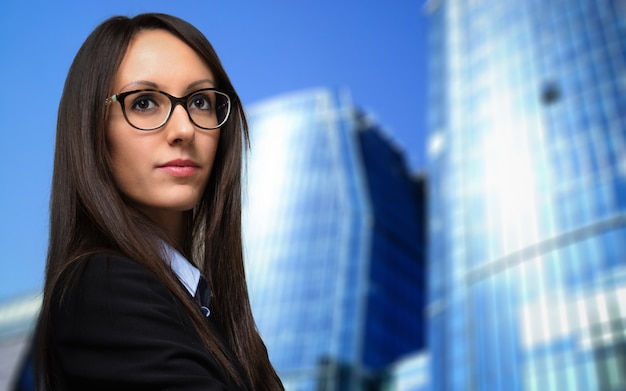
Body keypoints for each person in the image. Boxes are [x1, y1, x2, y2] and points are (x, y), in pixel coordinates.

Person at [33, 13, 284, 391]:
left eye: (200, 101)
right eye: (145, 102)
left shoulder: (210, 307)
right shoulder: (104, 289)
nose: (184, 129)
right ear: (92, 131)